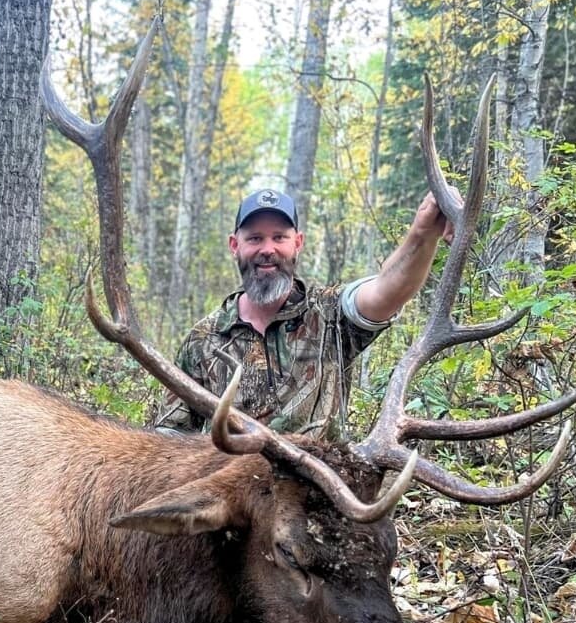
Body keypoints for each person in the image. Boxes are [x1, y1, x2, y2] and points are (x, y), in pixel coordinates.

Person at [155, 188, 454, 439]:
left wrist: (423, 232)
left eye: (279, 237)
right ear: (235, 246)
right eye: (255, 238)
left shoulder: (331, 316)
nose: (268, 249)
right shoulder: (204, 339)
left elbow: (386, 291)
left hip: (318, 495)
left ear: (298, 243)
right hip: (234, 499)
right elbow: (170, 440)